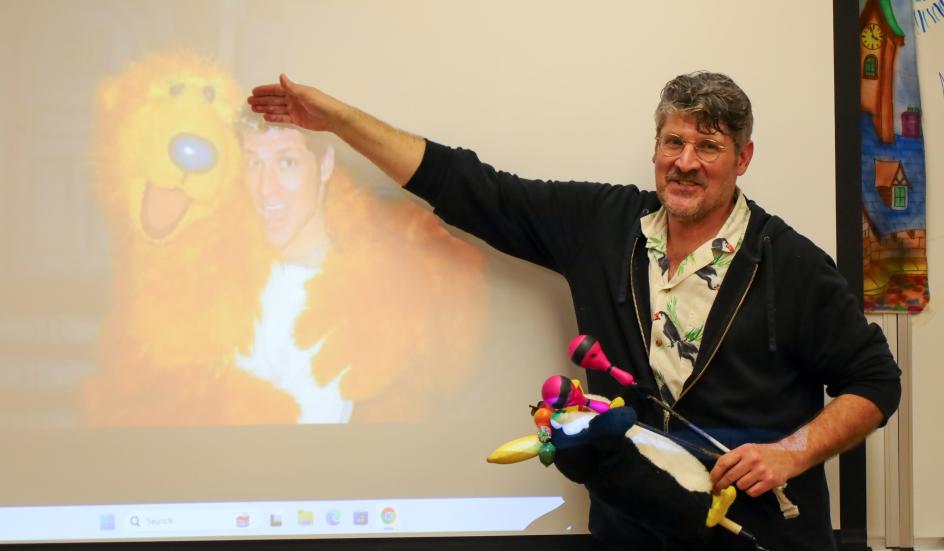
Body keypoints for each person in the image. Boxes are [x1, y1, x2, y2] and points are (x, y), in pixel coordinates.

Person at [247, 72, 900, 549]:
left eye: (709, 146)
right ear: (655, 147)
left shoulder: (792, 263)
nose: (686, 162)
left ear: (743, 158)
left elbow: (876, 381)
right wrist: (338, 120)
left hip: (760, 540)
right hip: (629, 536)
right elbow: (470, 188)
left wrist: (790, 451)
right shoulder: (604, 226)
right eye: (674, 142)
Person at [236, 111, 487, 423]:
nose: (265, 188)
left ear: (325, 164)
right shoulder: (221, 276)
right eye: (252, 163)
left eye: (287, 162)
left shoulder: (373, 290)